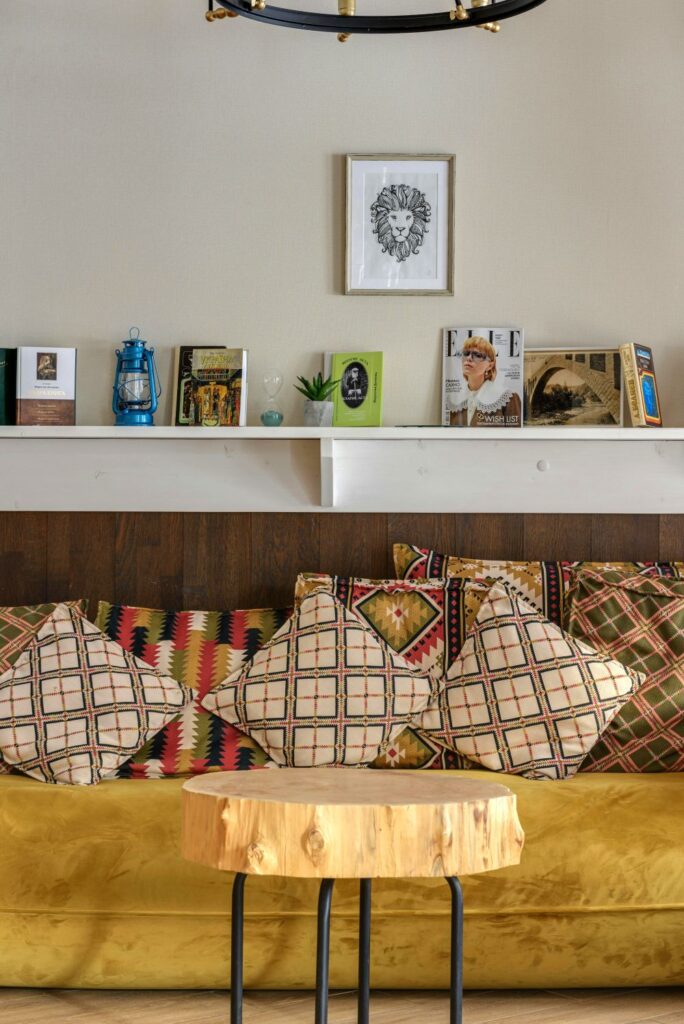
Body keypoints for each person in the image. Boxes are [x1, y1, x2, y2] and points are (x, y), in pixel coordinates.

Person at [449, 336, 521, 427]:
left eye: (478, 355)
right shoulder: (455, 401)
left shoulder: (507, 398)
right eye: (466, 353)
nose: (469, 358)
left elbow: (515, 439)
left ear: (490, 365)